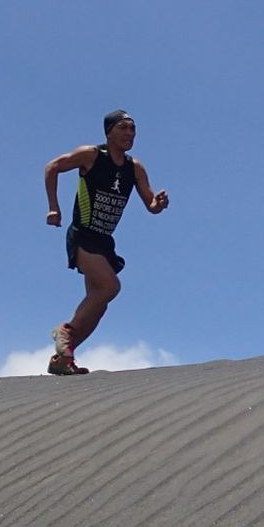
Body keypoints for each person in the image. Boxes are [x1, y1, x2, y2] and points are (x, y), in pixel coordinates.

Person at [43, 109, 169, 375]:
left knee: (98, 303)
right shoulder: (91, 155)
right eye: (124, 128)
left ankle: (64, 358)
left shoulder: (135, 168)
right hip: (83, 234)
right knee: (110, 286)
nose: (130, 134)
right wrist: (54, 207)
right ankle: (65, 332)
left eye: (133, 129)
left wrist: (159, 204)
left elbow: (150, 205)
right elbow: (52, 166)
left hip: (104, 240)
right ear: (109, 131)